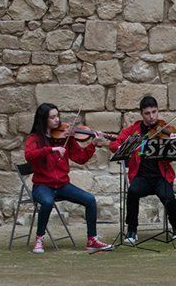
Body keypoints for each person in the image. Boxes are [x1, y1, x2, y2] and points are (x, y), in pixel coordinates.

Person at [24, 103, 113, 254]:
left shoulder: (65, 137)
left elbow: (81, 158)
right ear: (43, 119)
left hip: (62, 185)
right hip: (42, 186)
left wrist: (93, 144)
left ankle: (92, 239)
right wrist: (52, 149)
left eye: (57, 116)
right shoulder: (34, 139)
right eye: (52, 117)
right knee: (47, 202)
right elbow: (29, 155)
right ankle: (39, 239)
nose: (57, 120)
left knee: (90, 199)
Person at [109, 96, 176, 244]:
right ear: (141, 114)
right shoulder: (134, 130)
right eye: (147, 113)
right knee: (132, 192)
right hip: (141, 176)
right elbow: (115, 143)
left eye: (154, 112)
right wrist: (123, 148)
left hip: (160, 176)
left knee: (168, 197)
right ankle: (131, 229)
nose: (151, 117)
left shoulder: (165, 129)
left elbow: (170, 159)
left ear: (158, 111)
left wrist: (173, 145)